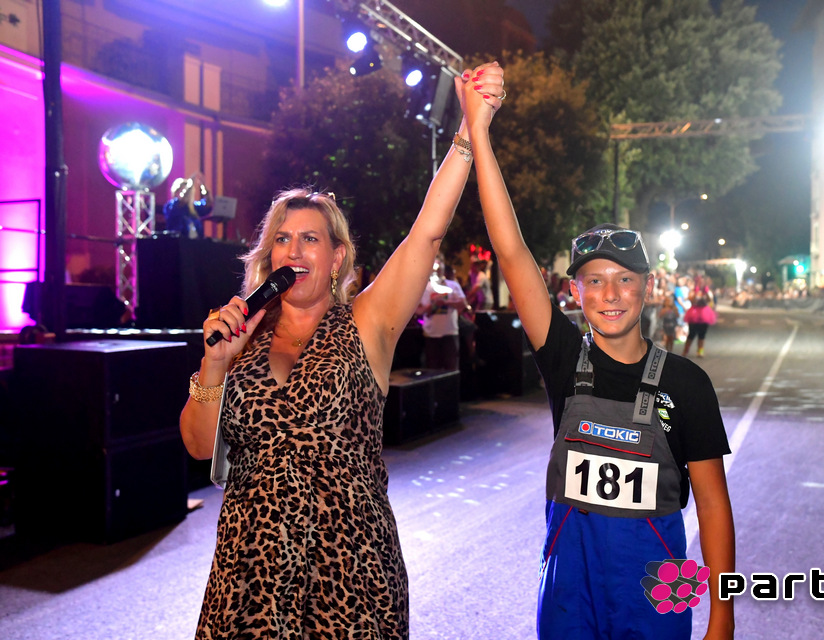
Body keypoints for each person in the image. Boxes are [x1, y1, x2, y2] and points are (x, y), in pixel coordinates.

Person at [179, 61, 505, 639]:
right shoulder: (241, 336)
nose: (293, 250)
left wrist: (466, 132)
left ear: (336, 257)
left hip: (350, 572)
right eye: (282, 239)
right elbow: (201, 447)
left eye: (310, 238)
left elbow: (426, 234)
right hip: (249, 572)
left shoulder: (366, 323)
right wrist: (214, 365)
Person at [463, 72, 735, 639]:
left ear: (647, 286)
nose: (610, 294)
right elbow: (510, 251)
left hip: (656, 599)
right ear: (575, 292)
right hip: (570, 597)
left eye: (624, 279)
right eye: (594, 280)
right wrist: (478, 132)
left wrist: (723, 617)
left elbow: (712, 505)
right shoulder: (564, 359)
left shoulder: (686, 384)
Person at [416, 254, 468, 370]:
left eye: (440, 267)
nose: (438, 270)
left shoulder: (453, 285)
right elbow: (418, 311)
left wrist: (446, 302)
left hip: (449, 332)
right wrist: (432, 305)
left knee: (451, 367)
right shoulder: (425, 287)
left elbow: (463, 304)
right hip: (431, 334)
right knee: (432, 368)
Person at [682, 294, 718, 358]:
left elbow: (709, 300)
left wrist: (706, 293)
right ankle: (686, 351)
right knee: (691, 335)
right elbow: (691, 299)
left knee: (701, 336)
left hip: (703, 316)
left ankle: (699, 351)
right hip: (694, 315)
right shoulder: (694, 293)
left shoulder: (705, 293)